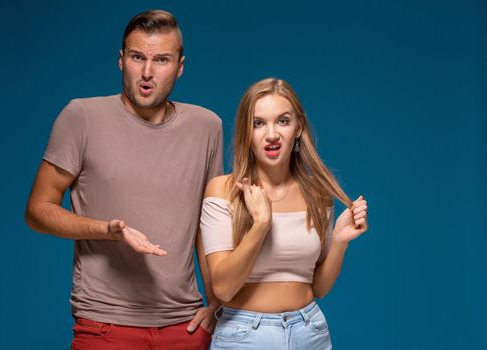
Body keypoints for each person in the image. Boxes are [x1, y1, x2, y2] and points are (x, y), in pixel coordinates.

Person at [25, 10, 222, 350]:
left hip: (185, 326)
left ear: (180, 66)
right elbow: (37, 210)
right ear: (121, 60)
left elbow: (208, 225)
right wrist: (107, 230)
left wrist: (216, 304)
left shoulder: (207, 127)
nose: (147, 72)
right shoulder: (82, 117)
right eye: (137, 57)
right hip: (105, 325)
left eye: (161, 60)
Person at [200, 78, 369, 349]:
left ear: (298, 127)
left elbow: (317, 288)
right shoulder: (223, 190)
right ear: (247, 131)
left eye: (282, 121)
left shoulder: (318, 195)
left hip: (310, 331)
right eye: (258, 123)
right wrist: (261, 225)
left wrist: (339, 240)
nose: (271, 134)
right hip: (245, 335)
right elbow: (223, 288)